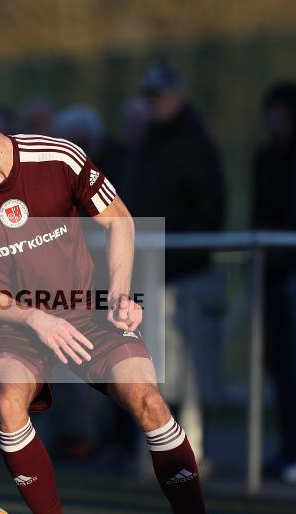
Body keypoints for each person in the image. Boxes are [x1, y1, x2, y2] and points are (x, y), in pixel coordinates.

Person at [0, 75, 229, 514]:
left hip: (85, 313)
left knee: (151, 404)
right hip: (17, 326)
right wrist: (33, 317)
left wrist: (120, 294)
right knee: (5, 402)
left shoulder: (58, 155)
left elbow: (120, 221)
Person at [123, 66, 228, 463]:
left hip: (185, 276)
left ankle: (193, 450)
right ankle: (158, 451)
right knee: (151, 370)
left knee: (192, 373)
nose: (155, 104)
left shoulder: (195, 144)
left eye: (161, 96)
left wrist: (175, 254)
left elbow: (209, 208)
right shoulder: (147, 145)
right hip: (152, 275)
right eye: (150, 96)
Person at [251, 81, 296, 483]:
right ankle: (287, 445)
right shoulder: (266, 157)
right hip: (270, 273)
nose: (275, 122)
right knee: (278, 366)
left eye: (282, 114)